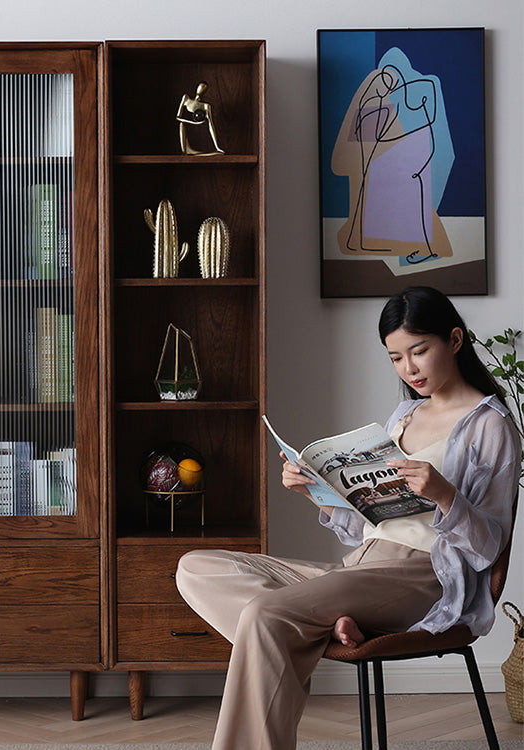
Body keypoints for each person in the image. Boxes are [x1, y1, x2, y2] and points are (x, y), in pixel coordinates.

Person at [175, 286, 519, 750]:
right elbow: (367, 522)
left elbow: (489, 547)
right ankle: (327, 620)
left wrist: (443, 494)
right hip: (361, 564)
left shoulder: (490, 425)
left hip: (423, 574)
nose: (409, 369)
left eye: (419, 351)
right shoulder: (404, 415)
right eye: (395, 358)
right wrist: (317, 492)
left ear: (454, 340)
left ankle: (310, 622)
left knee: (267, 615)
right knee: (195, 567)